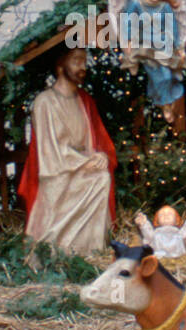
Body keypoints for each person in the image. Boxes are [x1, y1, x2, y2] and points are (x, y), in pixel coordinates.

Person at [18, 43, 116, 257]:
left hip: (81, 169)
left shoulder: (85, 101)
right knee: (98, 180)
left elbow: (95, 142)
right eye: (77, 61)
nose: (83, 67)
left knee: (101, 177)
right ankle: (60, 251)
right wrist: (84, 162)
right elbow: (50, 151)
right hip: (57, 174)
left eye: (84, 61)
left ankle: (92, 251)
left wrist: (99, 156)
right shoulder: (44, 102)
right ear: (61, 66)